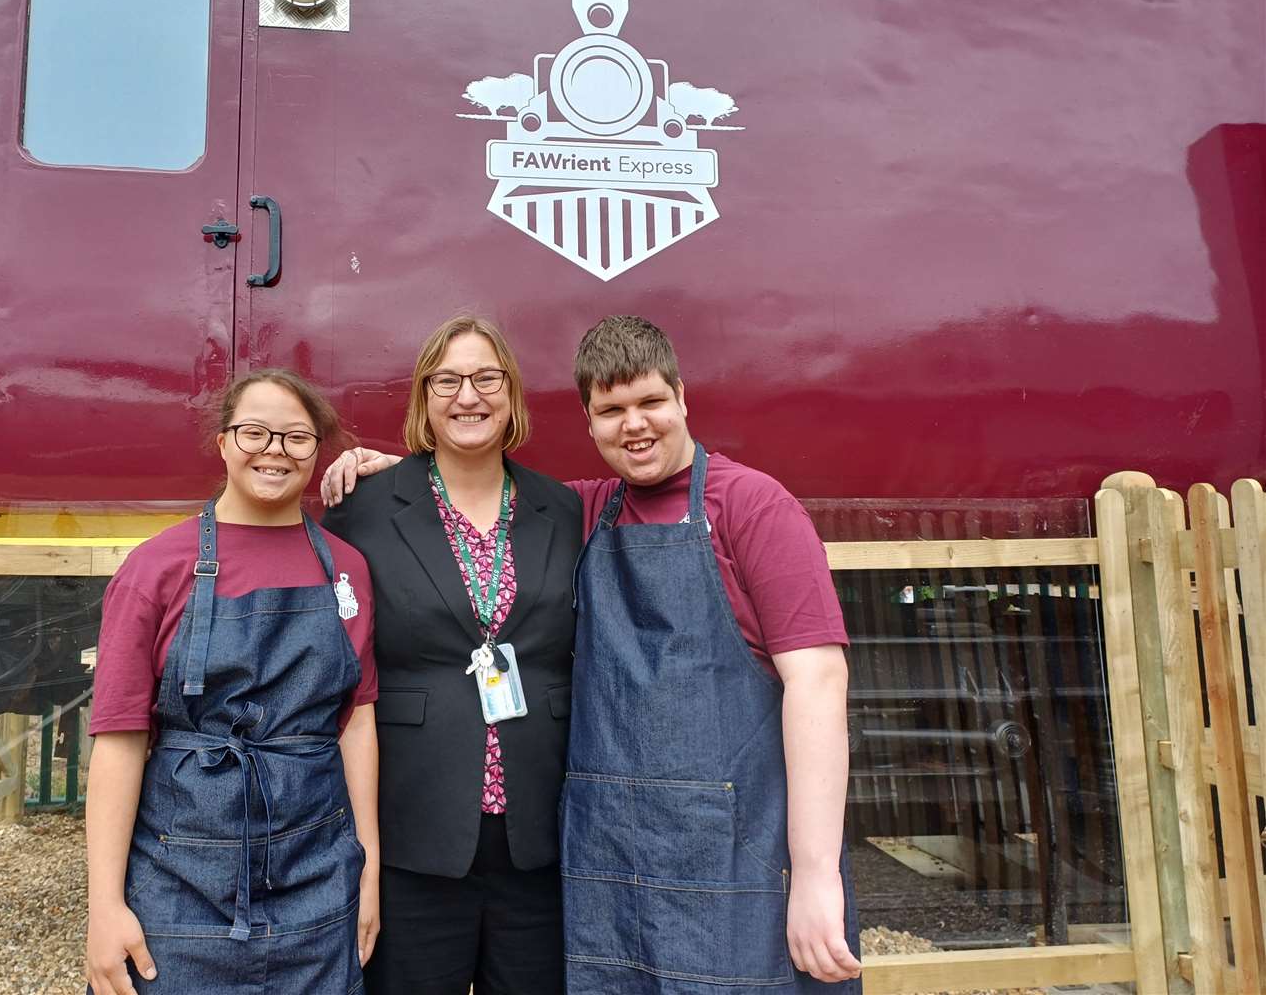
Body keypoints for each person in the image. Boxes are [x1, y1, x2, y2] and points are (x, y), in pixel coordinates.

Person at [324, 315, 860, 993]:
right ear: (588, 421)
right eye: (611, 410)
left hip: (736, 851)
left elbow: (817, 682)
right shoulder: (588, 507)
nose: (633, 425)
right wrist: (398, 469)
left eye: (649, 403)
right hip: (619, 854)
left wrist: (813, 875)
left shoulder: (752, 506)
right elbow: (467, 502)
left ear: (681, 397)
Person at [85, 368, 379, 995]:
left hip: (318, 877)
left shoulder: (346, 568)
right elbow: (119, 739)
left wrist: (369, 869)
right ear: (222, 442)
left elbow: (356, 724)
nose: (274, 451)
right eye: (255, 432)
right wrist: (104, 906)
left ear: (316, 451)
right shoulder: (155, 568)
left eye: (296, 437)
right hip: (176, 882)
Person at [320, 316, 582, 995]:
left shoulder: (562, 508)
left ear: (512, 394)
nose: (468, 396)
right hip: (414, 834)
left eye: (486, 377)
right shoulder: (365, 506)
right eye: (448, 380)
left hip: (537, 840)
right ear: (423, 399)